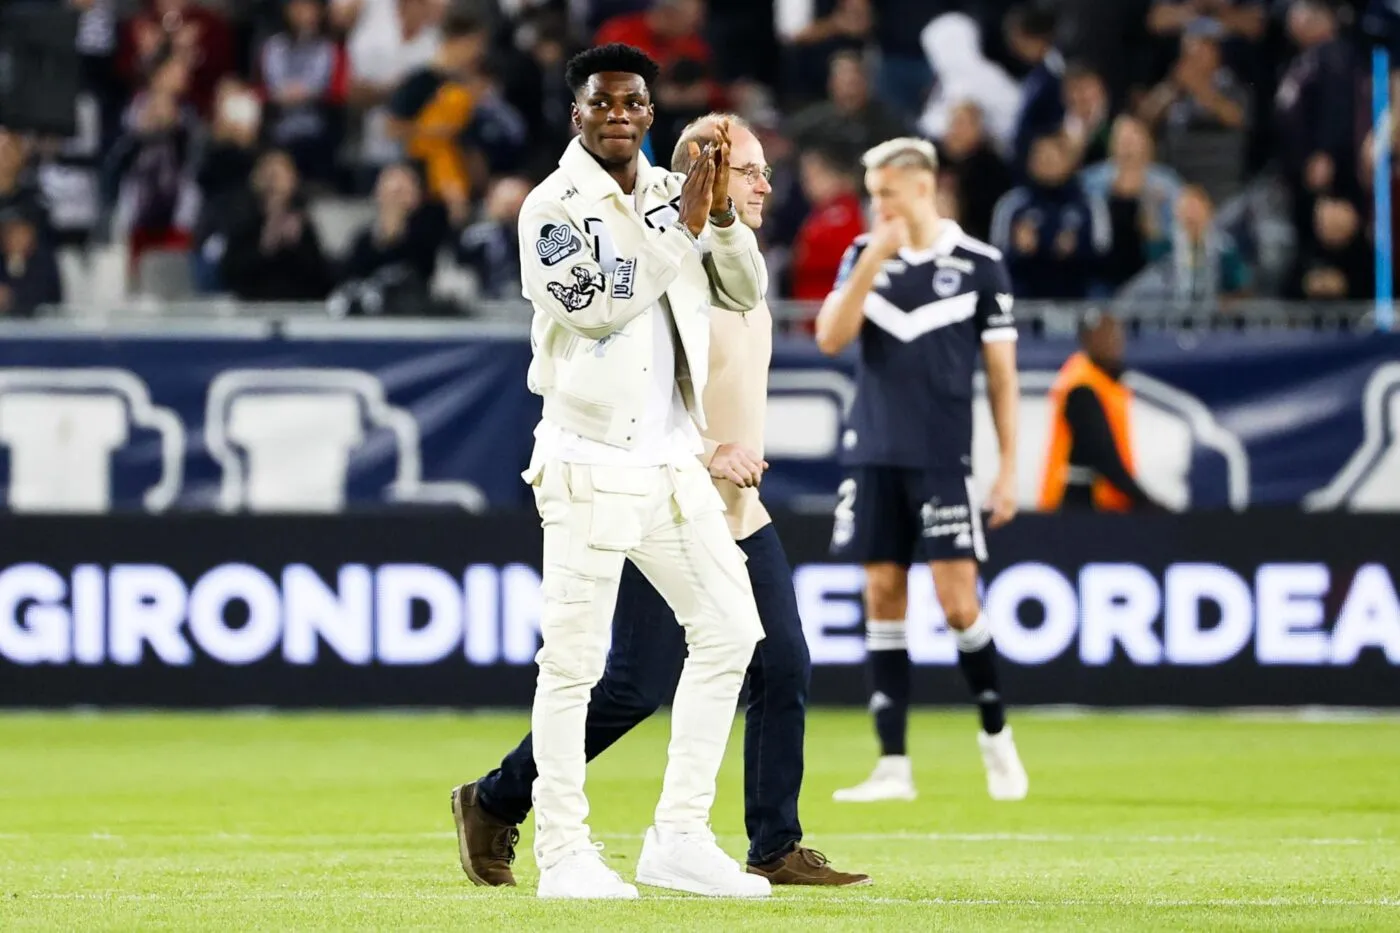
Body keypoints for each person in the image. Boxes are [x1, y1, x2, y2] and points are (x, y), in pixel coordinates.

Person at [451, 112, 870, 894]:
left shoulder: (739, 261)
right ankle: (500, 796)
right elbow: (646, 383)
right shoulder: (670, 260)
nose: (764, 185)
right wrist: (707, 451)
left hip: (735, 506)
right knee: (631, 686)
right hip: (665, 485)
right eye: (747, 170)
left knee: (779, 658)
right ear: (697, 173)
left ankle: (772, 843)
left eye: (763, 171)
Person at [486, 43, 771, 900]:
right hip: (589, 459)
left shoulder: (671, 190)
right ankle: (563, 851)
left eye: (633, 102)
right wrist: (681, 223)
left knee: (732, 629)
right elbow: (597, 307)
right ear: (576, 113)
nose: (619, 114)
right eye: (603, 102)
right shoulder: (551, 207)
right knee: (572, 663)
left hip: (671, 458)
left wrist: (722, 217)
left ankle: (679, 836)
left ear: (651, 114)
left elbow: (743, 290)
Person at [814, 137, 1029, 804]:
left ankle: (995, 736)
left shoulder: (979, 265)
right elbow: (829, 338)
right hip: (873, 453)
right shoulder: (863, 255)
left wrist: (1007, 468)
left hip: (942, 459)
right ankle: (892, 765)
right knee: (883, 594)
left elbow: (1002, 377)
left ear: (922, 188)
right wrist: (872, 259)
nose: (876, 205)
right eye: (872, 194)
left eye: (886, 193)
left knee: (959, 603)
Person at [1039, 313, 1168, 513]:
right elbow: (1103, 456)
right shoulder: (1081, 387)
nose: (1112, 342)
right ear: (1086, 341)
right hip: (1078, 501)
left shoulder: (1108, 382)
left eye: (1115, 334)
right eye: (1102, 335)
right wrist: (1146, 502)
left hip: (1101, 502)